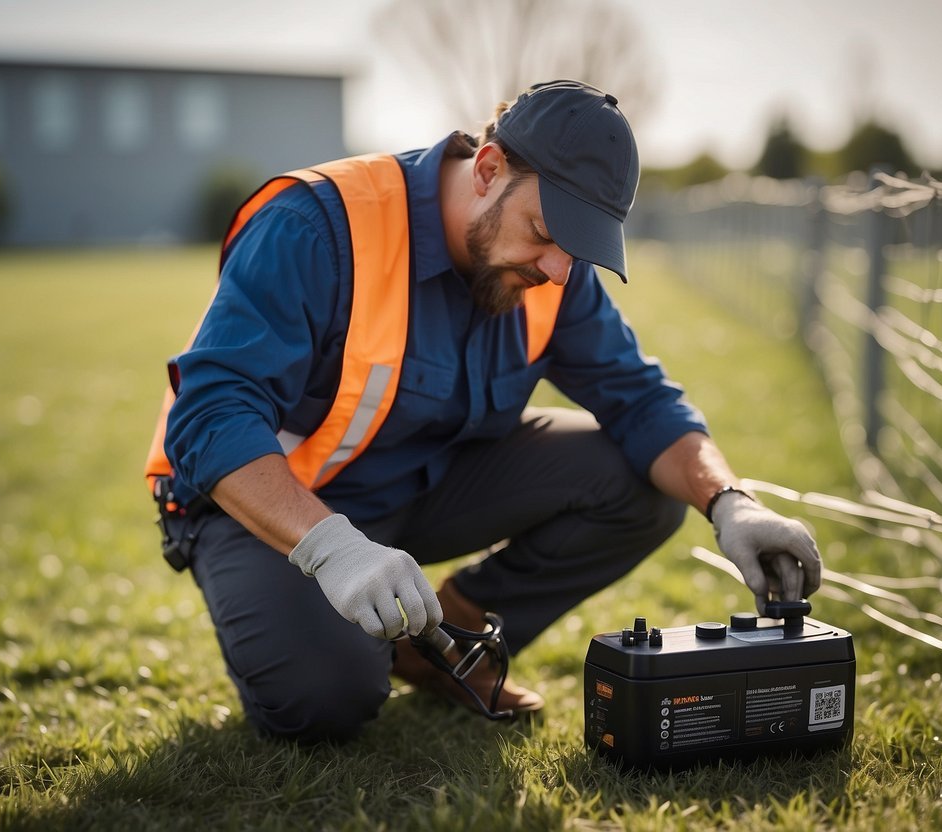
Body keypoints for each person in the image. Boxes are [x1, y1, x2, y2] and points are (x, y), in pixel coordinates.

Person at [145, 80, 821, 742]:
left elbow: (642, 400)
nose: (558, 269)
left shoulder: (555, 271)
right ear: (488, 169)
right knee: (325, 700)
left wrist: (731, 502)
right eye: (544, 231)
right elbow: (209, 414)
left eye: (579, 247)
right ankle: (362, 630)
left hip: (419, 489)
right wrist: (332, 549)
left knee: (640, 481)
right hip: (272, 504)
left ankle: (445, 643)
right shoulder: (315, 226)